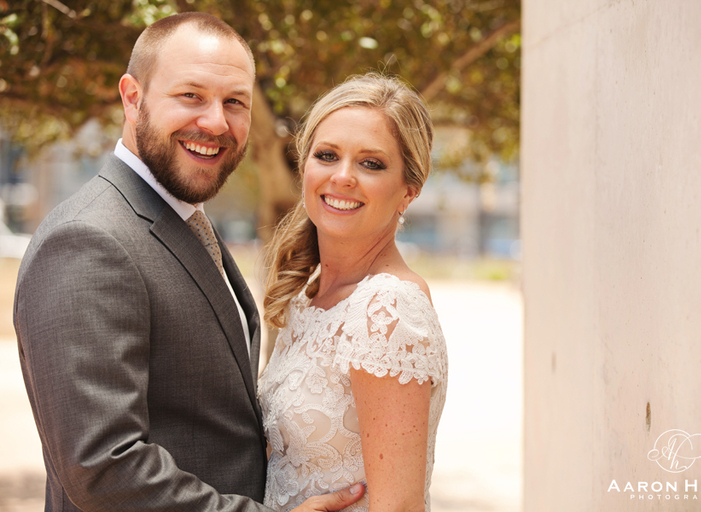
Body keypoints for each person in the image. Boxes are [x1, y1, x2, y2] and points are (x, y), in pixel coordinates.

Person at [13, 12, 363, 512]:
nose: (216, 122)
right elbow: (103, 467)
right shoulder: (88, 240)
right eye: (191, 96)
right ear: (132, 98)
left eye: (235, 102)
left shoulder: (181, 219)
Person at [258, 73, 448, 512]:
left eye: (371, 164)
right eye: (327, 155)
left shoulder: (388, 309)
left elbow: (398, 508)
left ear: (408, 191)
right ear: (305, 166)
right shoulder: (308, 296)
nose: (342, 177)